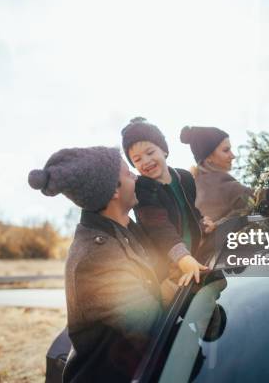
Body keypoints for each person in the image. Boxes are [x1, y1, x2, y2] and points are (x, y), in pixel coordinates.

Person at [28, 146, 163, 383]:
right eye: (127, 173)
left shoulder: (124, 230)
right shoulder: (97, 258)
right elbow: (153, 324)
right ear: (113, 191)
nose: (135, 175)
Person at [121, 117, 212, 287]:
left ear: (163, 150)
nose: (146, 161)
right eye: (137, 159)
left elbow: (192, 211)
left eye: (150, 152)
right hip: (167, 269)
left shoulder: (184, 178)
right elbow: (158, 228)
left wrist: (203, 223)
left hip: (195, 257)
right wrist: (183, 258)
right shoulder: (142, 188)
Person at [180, 126, 254, 225]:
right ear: (208, 157)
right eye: (226, 150)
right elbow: (258, 200)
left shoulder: (193, 186)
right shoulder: (223, 185)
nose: (232, 156)